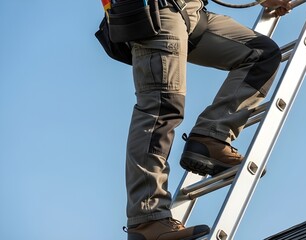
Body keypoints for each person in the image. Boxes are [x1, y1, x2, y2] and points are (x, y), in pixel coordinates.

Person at [123, 0, 292, 239]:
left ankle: (211, 138)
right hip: (157, 11)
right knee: (161, 109)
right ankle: (147, 219)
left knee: (262, 54)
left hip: (189, 11)